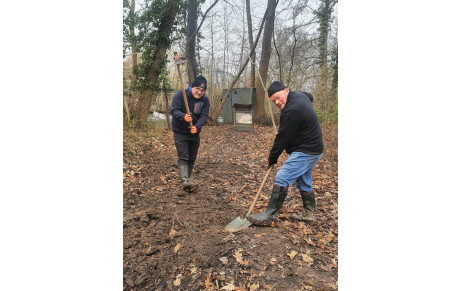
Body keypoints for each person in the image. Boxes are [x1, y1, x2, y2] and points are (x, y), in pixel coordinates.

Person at [248, 81, 323, 225]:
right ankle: (309, 214)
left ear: (286, 91)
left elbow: (282, 138)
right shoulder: (300, 96)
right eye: (273, 100)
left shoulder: (292, 110)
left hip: (306, 150)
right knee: (303, 181)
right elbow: (310, 96)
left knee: (283, 177)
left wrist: (272, 157)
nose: (276, 102)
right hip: (314, 148)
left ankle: (270, 215)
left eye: (278, 97)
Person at [170, 75, 210, 192]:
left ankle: (187, 180)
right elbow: (173, 110)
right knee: (183, 155)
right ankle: (184, 180)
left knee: (192, 157)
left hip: (194, 132)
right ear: (192, 86)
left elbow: (203, 116)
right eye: (197, 88)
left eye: (202, 90)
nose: (199, 92)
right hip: (180, 130)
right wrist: (183, 116)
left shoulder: (205, 101)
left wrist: (197, 128)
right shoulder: (180, 95)